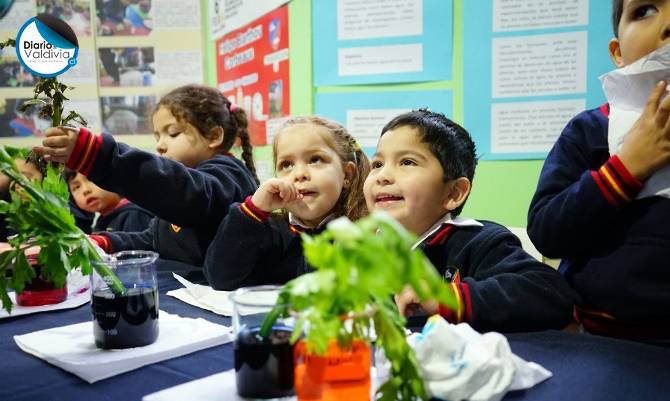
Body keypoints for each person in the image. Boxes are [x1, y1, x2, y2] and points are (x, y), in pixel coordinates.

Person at [527, 0, 670, 341]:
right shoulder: (589, 131)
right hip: (596, 339)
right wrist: (625, 168)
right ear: (618, 53)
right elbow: (546, 230)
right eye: (646, 10)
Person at [366, 110, 575, 332]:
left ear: (453, 193)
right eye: (377, 164)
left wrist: (447, 298)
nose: (382, 176)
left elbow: (550, 294)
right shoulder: (362, 251)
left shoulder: (478, 242)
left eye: (407, 162)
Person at [34, 84, 259, 266]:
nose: (160, 146)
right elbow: (152, 240)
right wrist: (103, 242)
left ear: (213, 135)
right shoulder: (179, 193)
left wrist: (100, 156)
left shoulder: (228, 175)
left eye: (172, 133)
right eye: (157, 136)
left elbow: (188, 193)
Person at [203, 116, 370, 290]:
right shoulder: (266, 229)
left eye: (315, 160)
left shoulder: (364, 231)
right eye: (287, 165)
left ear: (347, 175)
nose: (299, 174)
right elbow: (221, 279)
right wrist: (252, 210)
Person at [64, 170, 153, 234]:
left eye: (91, 179)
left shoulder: (133, 215)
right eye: (76, 187)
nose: (85, 190)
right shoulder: (102, 221)